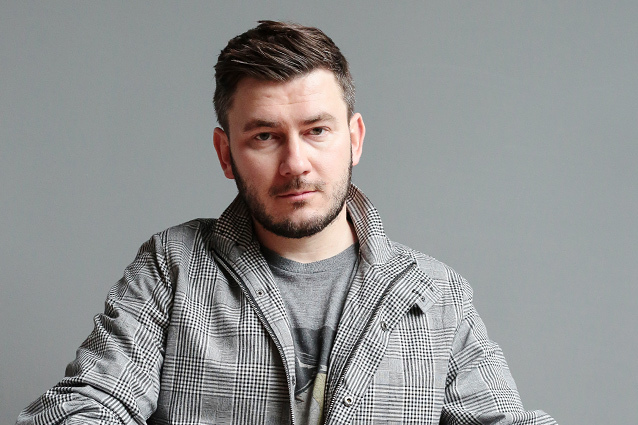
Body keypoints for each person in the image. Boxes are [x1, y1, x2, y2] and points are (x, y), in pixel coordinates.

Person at [17, 21, 557, 425]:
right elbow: (87, 406)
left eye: (317, 130)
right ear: (226, 153)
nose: (295, 163)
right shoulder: (172, 267)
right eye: (265, 136)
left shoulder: (435, 295)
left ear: (355, 139)